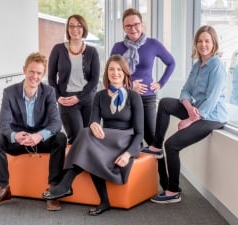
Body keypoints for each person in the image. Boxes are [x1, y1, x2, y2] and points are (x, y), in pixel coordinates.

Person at [42, 55, 144, 215]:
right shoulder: (100, 96)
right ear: (107, 73)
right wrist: (94, 124)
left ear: (125, 73)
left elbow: (140, 133)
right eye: (111, 69)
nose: (115, 73)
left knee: (86, 139)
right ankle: (103, 201)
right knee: (88, 138)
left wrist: (128, 153)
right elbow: (94, 122)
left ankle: (65, 183)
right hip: (107, 138)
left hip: (126, 140)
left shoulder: (134, 96)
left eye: (119, 69)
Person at [144, 25, 228, 203]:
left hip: (212, 117)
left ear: (214, 43)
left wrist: (190, 120)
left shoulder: (217, 65)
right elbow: (185, 91)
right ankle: (156, 146)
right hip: (196, 110)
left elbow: (212, 101)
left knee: (172, 144)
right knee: (166, 102)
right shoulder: (198, 64)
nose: (203, 44)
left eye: (207, 41)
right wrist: (189, 107)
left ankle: (173, 191)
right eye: (200, 41)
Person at [0, 52, 67, 211]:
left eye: (39, 73)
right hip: (19, 142)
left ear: (43, 74)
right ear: (24, 70)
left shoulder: (48, 92)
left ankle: (53, 190)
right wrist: (15, 136)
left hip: (40, 141)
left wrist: (39, 136)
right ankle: (3, 189)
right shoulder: (10, 92)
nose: (35, 76)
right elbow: (2, 124)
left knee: (60, 138)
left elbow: (56, 123)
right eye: (32, 71)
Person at [110, 8, 175, 158]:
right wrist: (130, 85)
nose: (133, 29)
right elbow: (112, 73)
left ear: (142, 24)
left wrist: (160, 83)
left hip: (147, 98)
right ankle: (135, 177)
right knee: (130, 138)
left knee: (152, 139)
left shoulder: (153, 44)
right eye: (128, 26)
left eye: (136, 24)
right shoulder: (118, 47)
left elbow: (171, 63)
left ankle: (163, 179)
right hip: (125, 96)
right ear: (123, 28)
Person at [48, 14, 100, 145]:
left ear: (84, 28)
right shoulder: (58, 49)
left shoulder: (92, 51)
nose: (75, 29)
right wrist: (58, 97)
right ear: (67, 28)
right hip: (67, 101)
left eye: (79, 26)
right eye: (71, 26)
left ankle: (86, 165)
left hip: (88, 99)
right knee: (77, 138)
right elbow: (51, 77)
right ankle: (72, 165)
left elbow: (94, 80)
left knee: (89, 137)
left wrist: (79, 97)